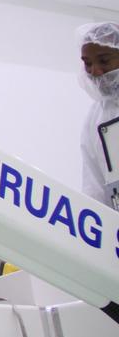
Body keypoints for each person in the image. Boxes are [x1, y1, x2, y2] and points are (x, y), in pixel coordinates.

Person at [78, 21, 119, 211]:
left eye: (104, 60)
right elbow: (94, 188)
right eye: (87, 63)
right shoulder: (95, 118)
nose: (95, 71)